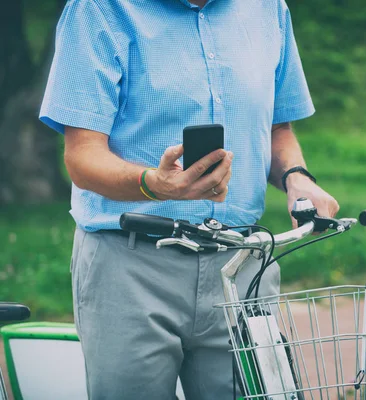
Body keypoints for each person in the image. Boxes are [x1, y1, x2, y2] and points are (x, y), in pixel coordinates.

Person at [39, 0, 339, 398]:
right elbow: (81, 157)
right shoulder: (99, 9)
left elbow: (276, 127)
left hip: (242, 262)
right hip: (131, 267)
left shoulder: (268, 8)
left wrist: (297, 177)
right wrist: (154, 184)